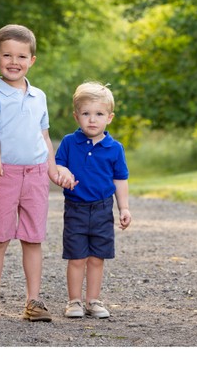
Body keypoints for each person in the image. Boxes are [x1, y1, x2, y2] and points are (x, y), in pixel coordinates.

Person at [0, 24, 61, 323]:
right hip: (5, 175)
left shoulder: (39, 96)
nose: (14, 62)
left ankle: (33, 301)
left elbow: (44, 136)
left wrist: (52, 168)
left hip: (35, 174)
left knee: (33, 239)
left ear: (31, 60)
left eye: (21, 56)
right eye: (7, 55)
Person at [54, 81, 132, 319]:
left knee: (97, 258)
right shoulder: (69, 142)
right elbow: (58, 165)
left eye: (99, 114)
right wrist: (63, 173)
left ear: (109, 117)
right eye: (86, 113)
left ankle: (93, 301)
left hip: (102, 209)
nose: (92, 119)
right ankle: (74, 301)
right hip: (75, 208)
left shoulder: (115, 148)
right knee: (77, 257)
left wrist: (124, 208)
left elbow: (120, 179)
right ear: (76, 116)